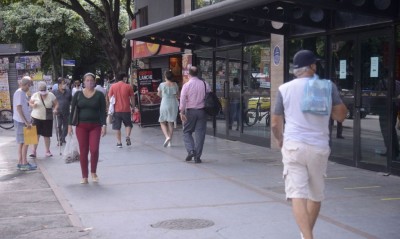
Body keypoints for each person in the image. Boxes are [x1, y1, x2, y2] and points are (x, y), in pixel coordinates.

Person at [271, 50, 347, 239]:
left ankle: (307, 236)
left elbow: (274, 123)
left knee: (297, 194)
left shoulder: (284, 89)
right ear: (311, 67)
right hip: (318, 148)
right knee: (315, 195)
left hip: (293, 146)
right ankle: (306, 236)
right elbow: (340, 116)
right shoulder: (326, 87)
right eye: (315, 64)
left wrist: (280, 138)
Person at [68, 73, 107, 184]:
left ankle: (93, 172)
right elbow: (72, 111)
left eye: (91, 80)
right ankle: (84, 175)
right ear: (83, 82)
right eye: (87, 80)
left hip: (95, 126)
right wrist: (69, 125)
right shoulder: (78, 94)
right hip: (81, 126)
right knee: (83, 151)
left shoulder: (99, 95)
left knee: (94, 149)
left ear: (94, 82)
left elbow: (103, 111)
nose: (89, 82)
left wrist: (104, 125)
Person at [179, 66, 210, 163]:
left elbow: (183, 99)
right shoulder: (205, 84)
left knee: (186, 132)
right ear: (198, 73)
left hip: (191, 111)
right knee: (200, 134)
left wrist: (181, 111)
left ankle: (191, 150)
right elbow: (210, 95)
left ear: (189, 74)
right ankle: (197, 157)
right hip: (202, 111)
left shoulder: (186, 85)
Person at [13, 76, 37, 171]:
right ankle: (24, 163)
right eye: (29, 85)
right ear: (26, 84)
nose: (29, 87)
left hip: (20, 121)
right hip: (21, 122)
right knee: (26, 142)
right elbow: (19, 109)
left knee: (22, 143)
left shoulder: (21, 93)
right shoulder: (20, 93)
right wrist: (26, 122)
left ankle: (21, 162)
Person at [29, 81, 59, 158]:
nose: (43, 92)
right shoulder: (35, 95)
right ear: (39, 90)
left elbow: (56, 104)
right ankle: (33, 151)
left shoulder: (51, 95)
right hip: (36, 117)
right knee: (36, 135)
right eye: (41, 91)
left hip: (47, 118)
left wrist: (55, 109)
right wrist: (33, 105)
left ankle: (47, 151)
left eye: (44, 90)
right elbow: (30, 103)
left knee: (46, 135)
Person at [108, 72, 135, 148]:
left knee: (117, 127)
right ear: (124, 78)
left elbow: (110, 98)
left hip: (116, 110)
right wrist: (133, 107)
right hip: (126, 109)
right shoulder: (128, 86)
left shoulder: (113, 86)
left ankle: (119, 143)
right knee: (128, 124)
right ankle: (127, 136)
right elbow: (132, 98)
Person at [158, 70, 179, 147]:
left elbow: (159, 94)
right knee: (171, 122)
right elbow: (177, 95)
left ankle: (167, 137)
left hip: (165, 103)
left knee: (162, 121)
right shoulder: (175, 84)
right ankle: (170, 141)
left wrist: (162, 95)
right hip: (173, 104)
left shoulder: (162, 84)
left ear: (166, 77)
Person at [52, 77, 72, 145]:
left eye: (65, 84)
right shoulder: (54, 92)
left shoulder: (68, 91)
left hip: (66, 111)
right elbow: (52, 102)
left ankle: (63, 138)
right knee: (59, 126)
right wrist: (54, 109)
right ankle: (59, 140)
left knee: (66, 126)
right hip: (58, 112)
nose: (65, 85)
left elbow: (70, 100)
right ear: (59, 84)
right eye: (63, 84)